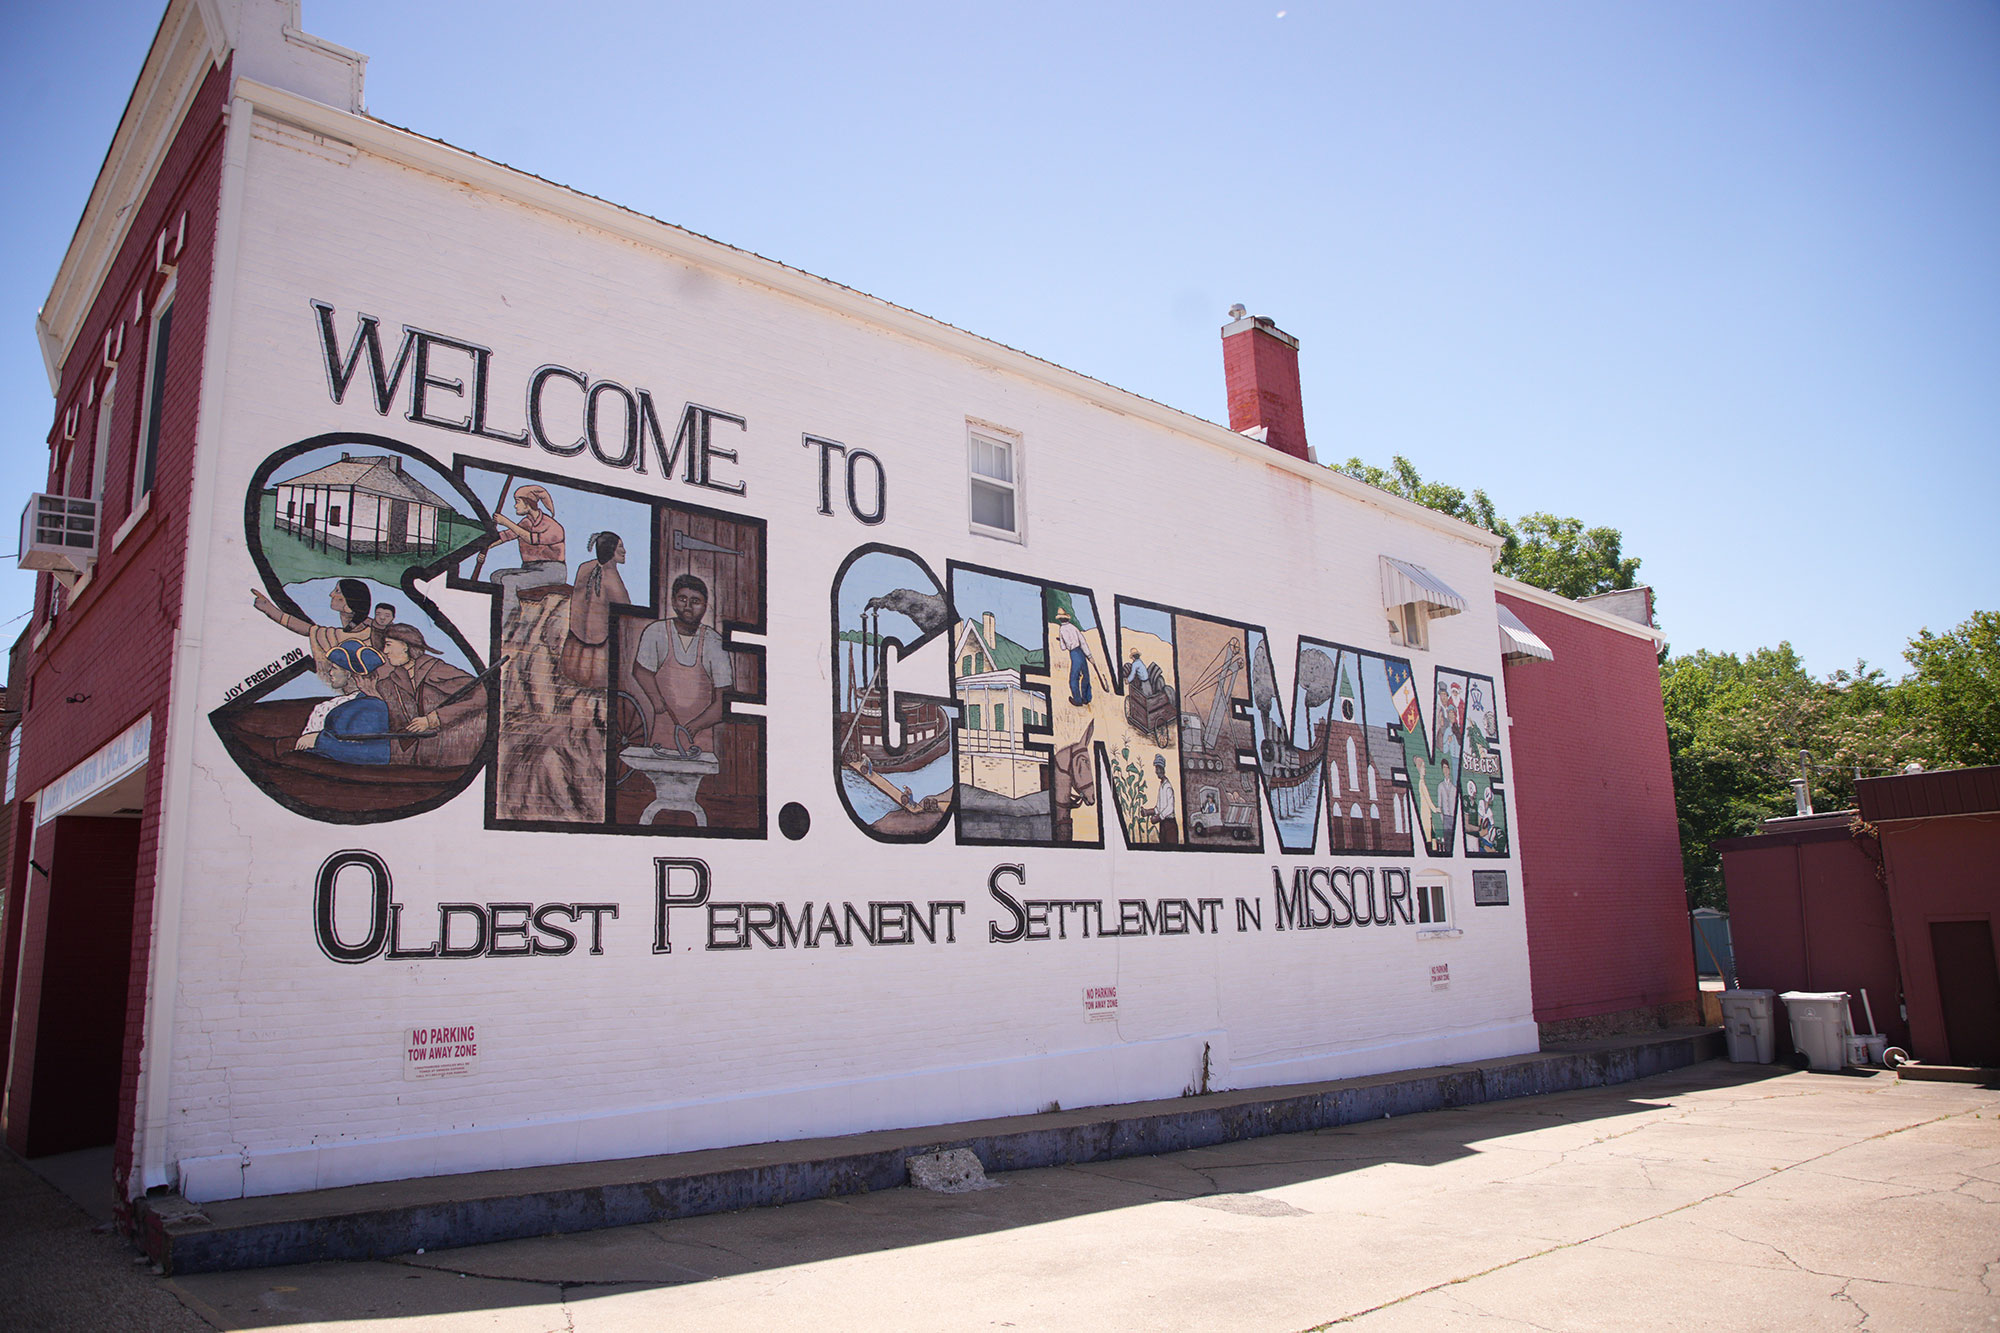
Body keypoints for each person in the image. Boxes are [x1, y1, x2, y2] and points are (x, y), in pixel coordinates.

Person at [633, 573, 733, 754]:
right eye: (682, 599)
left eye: (695, 601)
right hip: (661, 739)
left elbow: (724, 700)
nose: (688, 606)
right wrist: (657, 702)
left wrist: (693, 727)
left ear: (705, 606)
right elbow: (641, 671)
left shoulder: (714, 642)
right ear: (673, 601)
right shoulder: (656, 632)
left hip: (700, 743)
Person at [376, 623, 487, 768]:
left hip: (446, 755)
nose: (385, 651)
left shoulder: (437, 670)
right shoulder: (389, 683)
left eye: (389, 645)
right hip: (410, 761)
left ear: (405, 646)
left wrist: (434, 719)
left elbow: (482, 695)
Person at [252, 577, 381, 694]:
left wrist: (268, 609)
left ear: (347, 606)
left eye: (337, 591)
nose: (331, 594)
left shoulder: (338, 636)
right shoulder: (370, 630)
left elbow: (308, 629)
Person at [294, 640, 391, 765]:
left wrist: (318, 741)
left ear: (349, 674)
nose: (330, 673)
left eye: (334, 668)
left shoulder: (368, 706)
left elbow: (376, 752)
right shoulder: (332, 706)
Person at [487, 484, 566, 621]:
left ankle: (511, 619)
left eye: (517, 502)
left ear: (528, 503)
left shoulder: (553, 527)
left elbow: (531, 538)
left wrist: (506, 522)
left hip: (552, 571)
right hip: (530, 569)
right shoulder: (526, 522)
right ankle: (500, 614)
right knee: (496, 576)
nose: (515, 506)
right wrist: (484, 546)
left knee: (508, 580)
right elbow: (505, 536)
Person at [560, 531, 629, 688]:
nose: (624, 551)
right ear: (610, 550)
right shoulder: (612, 580)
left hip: (573, 653)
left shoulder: (584, 567)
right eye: (620, 547)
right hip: (596, 658)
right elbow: (627, 615)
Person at [1055, 607, 1091, 706]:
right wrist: (1089, 655)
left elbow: (1062, 647)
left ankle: (1078, 700)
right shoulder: (1073, 628)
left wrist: (1065, 643)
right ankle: (1086, 698)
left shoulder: (1062, 629)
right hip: (1081, 651)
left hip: (1074, 653)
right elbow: (1082, 641)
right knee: (1085, 675)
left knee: (1074, 677)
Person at [1143, 752, 1179, 845]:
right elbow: (1159, 808)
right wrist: (1147, 812)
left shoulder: (1167, 787)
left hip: (1170, 825)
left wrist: (1158, 817)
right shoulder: (1162, 786)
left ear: (1162, 769)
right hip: (1163, 824)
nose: (1156, 771)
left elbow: (1170, 808)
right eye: (1156, 768)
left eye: (1157, 768)